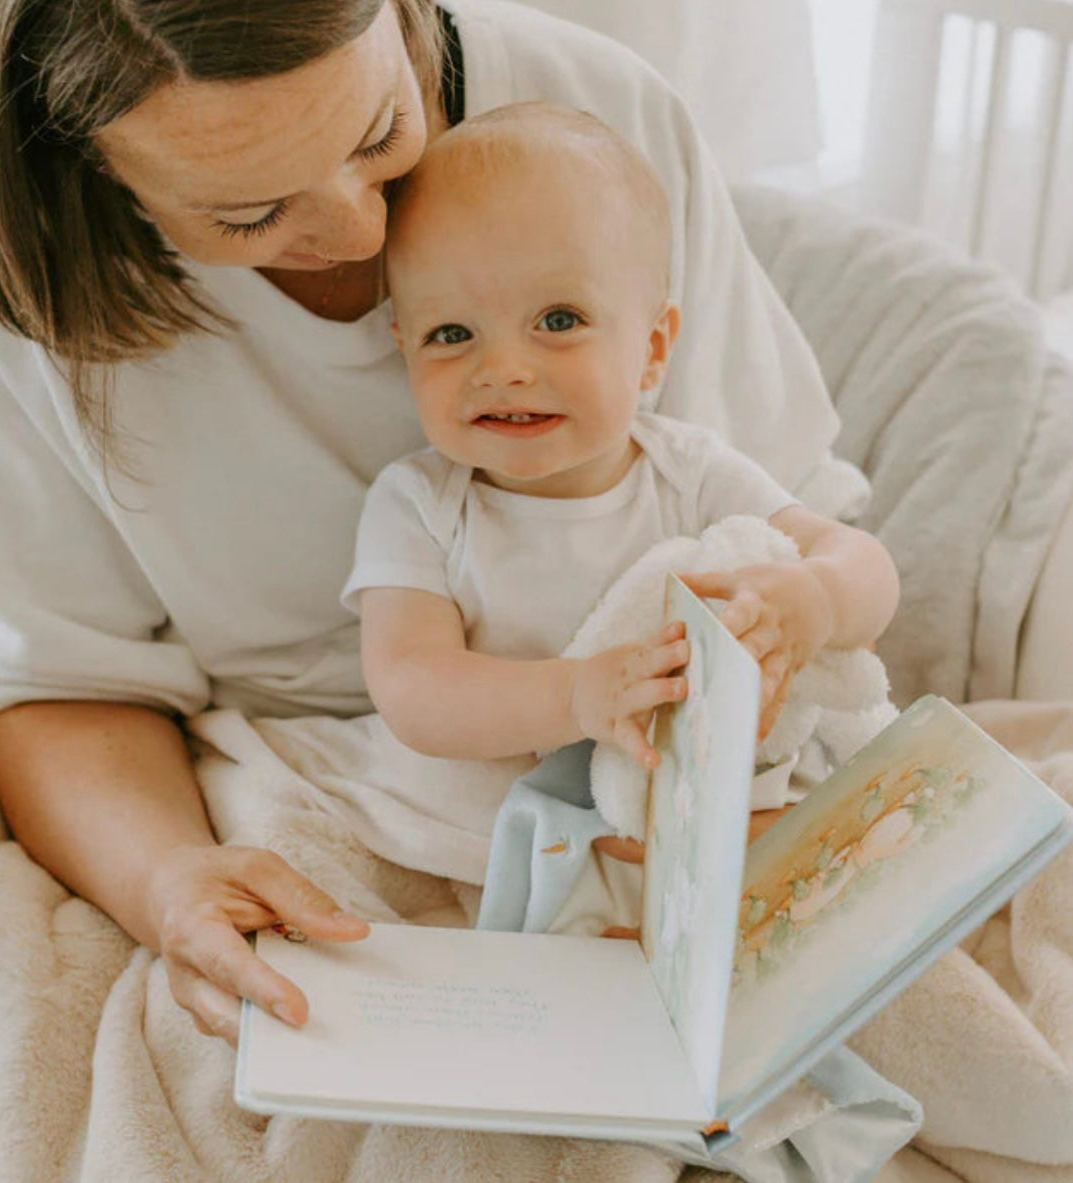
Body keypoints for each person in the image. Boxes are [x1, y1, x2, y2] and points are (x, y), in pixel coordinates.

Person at [0, 0, 852, 1048]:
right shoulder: (14, 284)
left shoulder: (599, 112)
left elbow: (785, 541)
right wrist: (171, 882)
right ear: (89, 179)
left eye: (379, 133)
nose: (365, 235)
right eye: (247, 213)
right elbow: (65, 680)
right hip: (321, 788)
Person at [345, 103, 900, 775]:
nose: (503, 370)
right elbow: (412, 688)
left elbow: (860, 561)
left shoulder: (688, 472)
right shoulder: (420, 505)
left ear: (651, 348)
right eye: (451, 335)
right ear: (404, 350)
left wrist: (816, 598)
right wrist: (574, 695)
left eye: (557, 319)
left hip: (683, 798)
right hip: (508, 817)